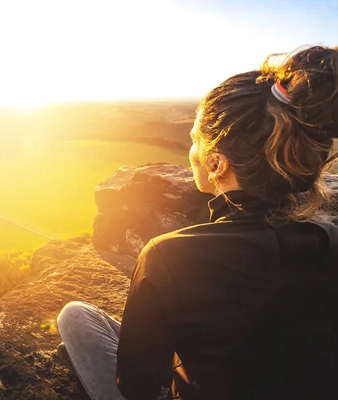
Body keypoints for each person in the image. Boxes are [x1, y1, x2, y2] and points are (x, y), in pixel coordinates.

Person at [56, 45, 338, 400]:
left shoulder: (169, 256)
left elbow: (135, 386)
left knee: (75, 316)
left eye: (194, 141)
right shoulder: (330, 240)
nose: (191, 151)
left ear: (217, 164)